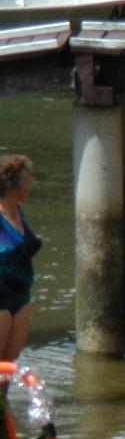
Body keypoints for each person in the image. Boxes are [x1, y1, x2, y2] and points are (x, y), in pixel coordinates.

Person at [0, 155, 42, 362]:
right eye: (26, 179)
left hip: (21, 296)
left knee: (8, 367)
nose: (29, 184)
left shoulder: (18, 211)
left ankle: (5, 397)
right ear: (12, 184)